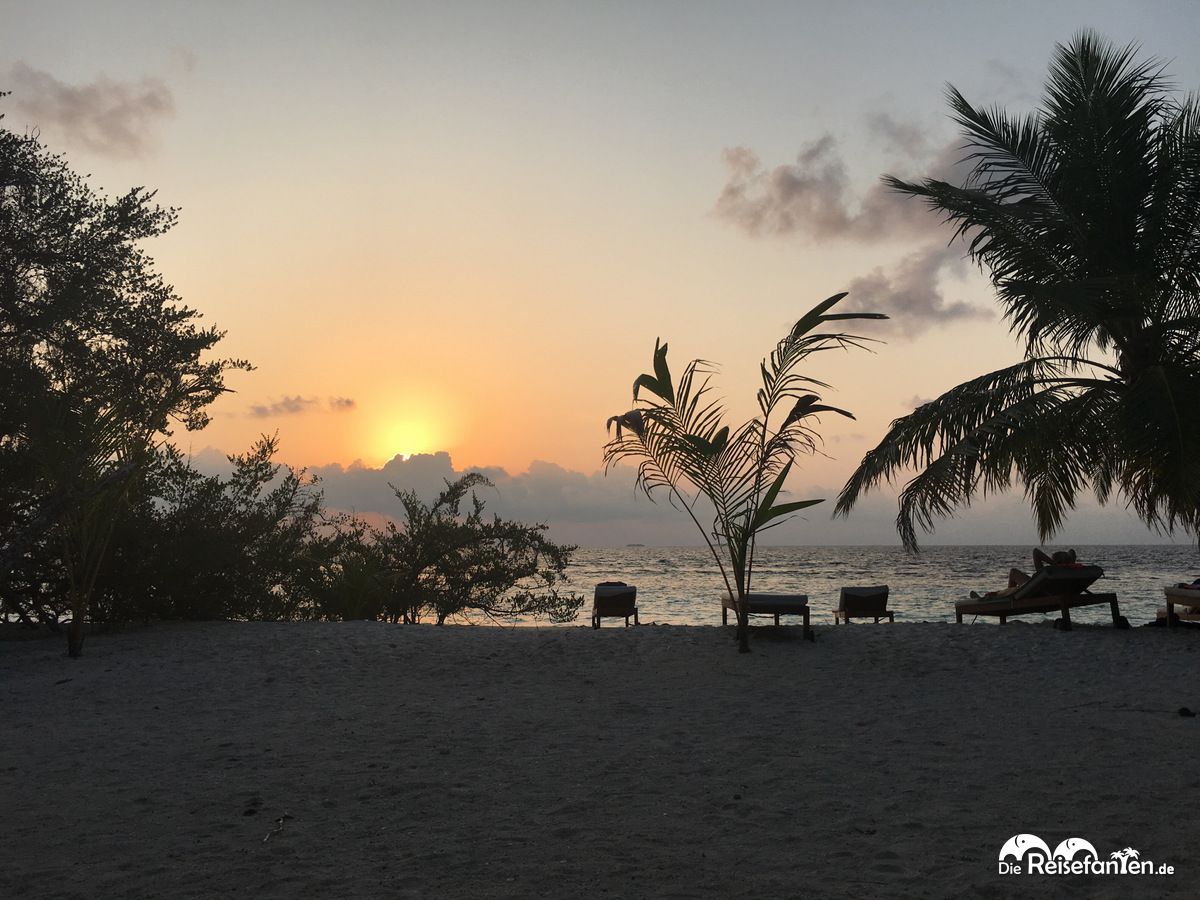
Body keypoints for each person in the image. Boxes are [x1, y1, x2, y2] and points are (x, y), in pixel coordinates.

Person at [970, 548, 1078, 599]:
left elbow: (1036, 551)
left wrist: (1053, 563)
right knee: (1010, 589)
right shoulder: (1067, 572)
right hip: (1041, 589)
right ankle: (1006, 598)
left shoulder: (1050, 571)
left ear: (1057, 560)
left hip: (1034, 590)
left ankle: (989, 599)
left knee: (1012, 573)